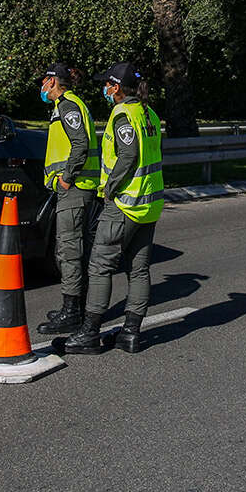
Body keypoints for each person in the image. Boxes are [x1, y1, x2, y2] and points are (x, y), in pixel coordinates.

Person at [60, 62, 164, 354]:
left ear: (116, 87)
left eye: (107, 84)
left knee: (100, 266)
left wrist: (110, 188)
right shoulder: (149, 113)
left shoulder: (123, 115)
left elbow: (128, 155)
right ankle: (131, 333)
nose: (104, 88)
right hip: (149, 204)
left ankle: (90, 333)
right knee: (138, 269)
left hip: (125, 203)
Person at [36, 64, 100, 334]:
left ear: (52, 82)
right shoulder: (67, 105)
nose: (41, 85)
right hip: (78, 188)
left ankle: (72, 311)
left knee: (68, 251)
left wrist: (66, 178)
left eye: (44, 80)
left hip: (74, 188)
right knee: (74, 249)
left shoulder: (67, 105)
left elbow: (80, 144)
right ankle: (78, 307)